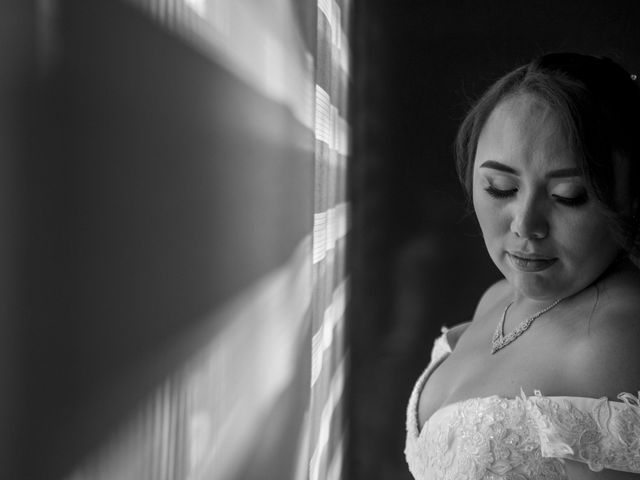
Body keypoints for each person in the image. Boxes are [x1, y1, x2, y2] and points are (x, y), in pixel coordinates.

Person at [405, 52, 640, 479]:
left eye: (569, 195)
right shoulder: (496, 300)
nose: (525, 225)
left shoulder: (620, 341)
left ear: (629, 195)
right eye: (500, 188)